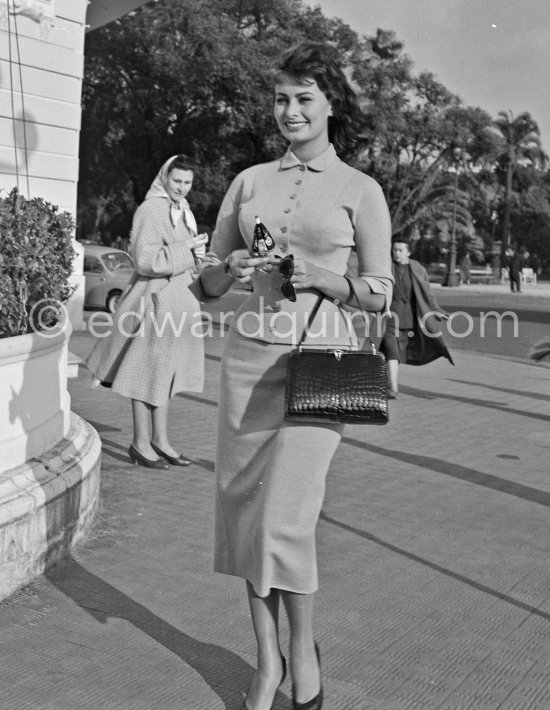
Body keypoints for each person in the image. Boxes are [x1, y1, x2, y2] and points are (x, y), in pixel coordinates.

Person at [193, 42, 393, 710]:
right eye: (281, 98)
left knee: (284, 521)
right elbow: (206, 283)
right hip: (248, 363)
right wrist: (233, 271)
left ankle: (302, 651)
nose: (290, 111)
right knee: (246, 519)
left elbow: (380, 293)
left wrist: (327, 279)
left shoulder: (361, 189)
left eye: (305, 97)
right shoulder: (248, 182)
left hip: (320, 368)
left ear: (331, 103)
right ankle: (267, 661)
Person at [86, 155, 208, 469]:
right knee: (145, 371)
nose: (181, 187)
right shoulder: (150, 209)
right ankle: (141, 442)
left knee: (166, 373)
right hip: (154, 301)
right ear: (164, 178)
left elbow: (184, 256)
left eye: (187, 182)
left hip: (178, 303)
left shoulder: (185, 212)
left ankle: (160, 440)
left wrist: (200, 258)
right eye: (176, 180)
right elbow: (144, 259)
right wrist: (188, 251)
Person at [379, 236, 453, 399]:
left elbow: (427, 294)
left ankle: (385, 381)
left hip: (409, 319)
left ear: (408, 252)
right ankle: (394, 388)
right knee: (392, 350)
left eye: (400, 250)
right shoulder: (386, 267)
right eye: (394, 250)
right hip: (389, 316)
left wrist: (436, 309)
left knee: (396, 353)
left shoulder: (417, 268)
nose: (396, 253)